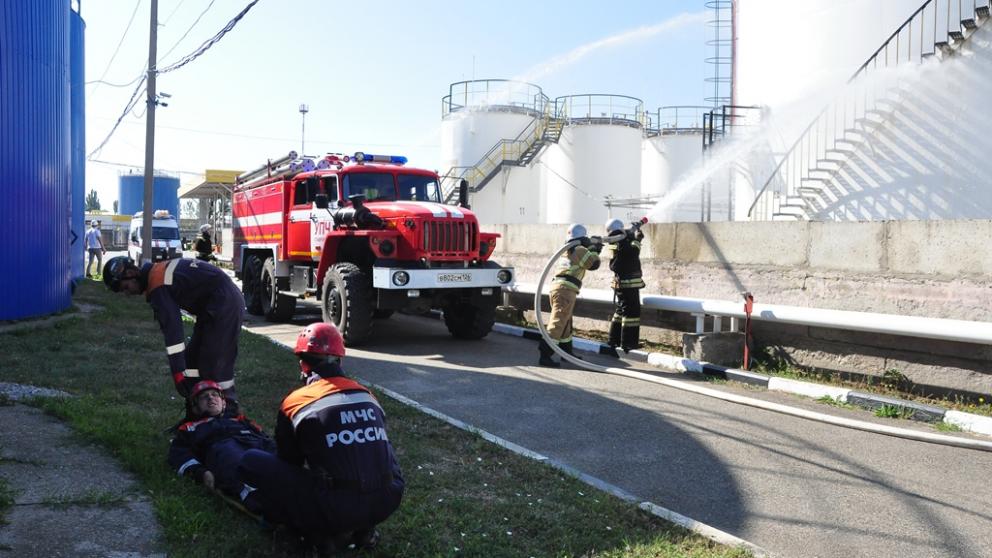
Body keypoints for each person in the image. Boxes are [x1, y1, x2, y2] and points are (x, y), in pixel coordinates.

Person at [237, 323, 404, 553]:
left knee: (251, 461)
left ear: (302, 364)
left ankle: (306, 530)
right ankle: (364, 527)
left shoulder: (296, 402)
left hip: (336, 508)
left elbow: (290, 461)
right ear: (340, 361)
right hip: (388, 499)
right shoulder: (367, 396)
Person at [102, 256, 244, 405]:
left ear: (131, 273)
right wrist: (182, 370)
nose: (127, 293)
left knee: (215, 366)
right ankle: (198, 410)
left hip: (225, 306)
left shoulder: (157, 284)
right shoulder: (157, 273)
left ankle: (229, 411)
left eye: (125, 287)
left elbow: (173, 330)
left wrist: (177, 371)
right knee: (191, 363)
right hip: (215, 305)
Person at [167, 380, 274, 512]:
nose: (211, 398)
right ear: (195, 407)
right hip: (225, 450)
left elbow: (266, 439)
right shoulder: (190, 428)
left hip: (254, 444)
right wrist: (201, 472)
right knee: (235, 458)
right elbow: (179, 455)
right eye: (204, 397)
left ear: (223, 402)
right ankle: (258, 497)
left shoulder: (241, 420)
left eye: (214, 395)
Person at [538, 223, 601, 367]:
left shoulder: (566, 250)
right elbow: (593, 264)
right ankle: (545, 354)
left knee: (565, 323)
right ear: (583, 236)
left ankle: (566, 353)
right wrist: (595, 249)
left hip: (559, 288)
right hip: (566, 290)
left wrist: (592, 249)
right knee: (558, 322)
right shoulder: (579, 249)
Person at [605, 219, 646, 354]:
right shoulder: (619, 239)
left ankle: (613, 340)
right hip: (627, 283)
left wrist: (630, 236)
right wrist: (637, 240)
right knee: (631, 313)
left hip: (621, 282)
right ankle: (628, 343)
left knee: (621, 311)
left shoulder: (614, 240)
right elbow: (632, 253)